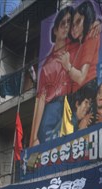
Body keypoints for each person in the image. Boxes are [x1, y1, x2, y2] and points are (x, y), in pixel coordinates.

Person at [29, 6, 74, 146]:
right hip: (51, 111)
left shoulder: (76, 48)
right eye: (62, 23)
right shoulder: (47, 65)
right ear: (55, 30)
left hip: (70, 106)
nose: (66, 26)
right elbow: (41, 100)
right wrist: (34, 137)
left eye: (69, 22)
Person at [59, 0, 100, 95]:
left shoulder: (91, 36)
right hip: (76, 93)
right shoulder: (77, 44)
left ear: (87, 20)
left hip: (87, 90)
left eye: (78, 22)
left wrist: (67, 66)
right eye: (73, 24)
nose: (74, 27)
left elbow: (81, 78)